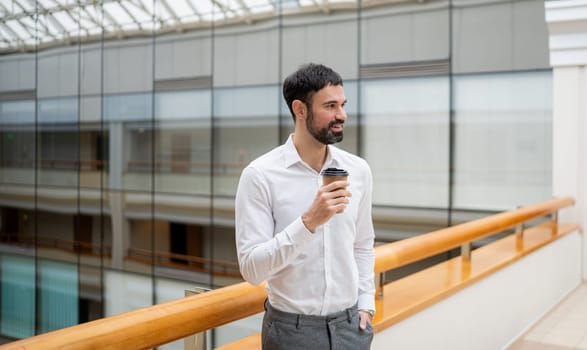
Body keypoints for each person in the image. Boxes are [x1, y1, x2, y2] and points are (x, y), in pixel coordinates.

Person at [235, 63, 375, 349]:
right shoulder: (260, 175)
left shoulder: (358, 170)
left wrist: (366, 303)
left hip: (351, 328)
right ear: (300, 109)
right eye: (330, 106)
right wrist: (309, 221)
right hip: (291, 333)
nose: (342, 115)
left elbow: (362, 244)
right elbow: (251, 269)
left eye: (343, 105)